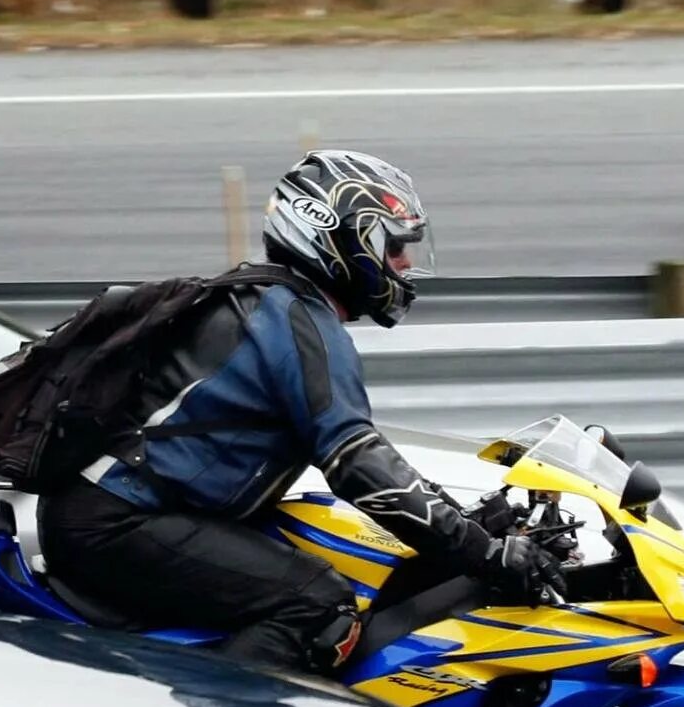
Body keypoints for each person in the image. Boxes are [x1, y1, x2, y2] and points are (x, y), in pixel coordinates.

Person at [36, 149, 567, 676]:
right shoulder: (296, 322)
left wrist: (472, 522)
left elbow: (363, 456)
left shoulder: (273, 302)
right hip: (116, 522)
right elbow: (359, 464)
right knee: (317, 606)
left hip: (121, 511)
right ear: (342, 239)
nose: (404, 264)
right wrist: (483, 552)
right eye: (395, 246)